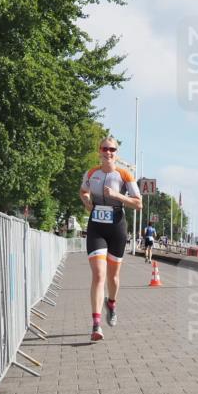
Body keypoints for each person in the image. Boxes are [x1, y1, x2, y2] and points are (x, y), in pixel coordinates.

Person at [80, 136, 141, 341]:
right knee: (98, 275)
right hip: (96, 227)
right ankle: (96, 324)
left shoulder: (124, 174)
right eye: (105, 148)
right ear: (99, 150)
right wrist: (86, 200)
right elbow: (83, 191)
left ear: (116, 153)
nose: (108, 152)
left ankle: (112, 304)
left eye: (112, 149)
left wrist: (118, 196)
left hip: (116, 227)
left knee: (113, 278)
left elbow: (138, 203)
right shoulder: (91, 173)